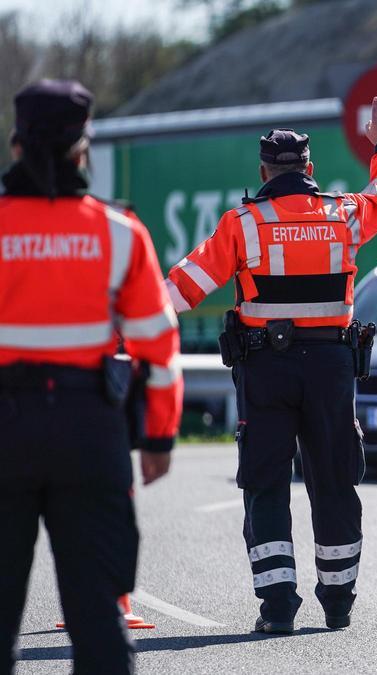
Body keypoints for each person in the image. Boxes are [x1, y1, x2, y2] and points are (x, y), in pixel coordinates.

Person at [164, 95, 377, 634]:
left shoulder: (241, 225)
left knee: (266, 482)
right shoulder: (343, 216)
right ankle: (338, 602)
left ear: (264, 171)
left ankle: (277, 608)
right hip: (331, 370)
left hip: (265, 371)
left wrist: (121, 317)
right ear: (310, 170)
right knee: (335, 479)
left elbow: (184, 289)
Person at [0, 80, 183, 674]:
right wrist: (157, 439)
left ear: (17, 147)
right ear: (84, 151)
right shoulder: (120, 233)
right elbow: (158, 343)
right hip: (90, 435)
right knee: (99, 619)